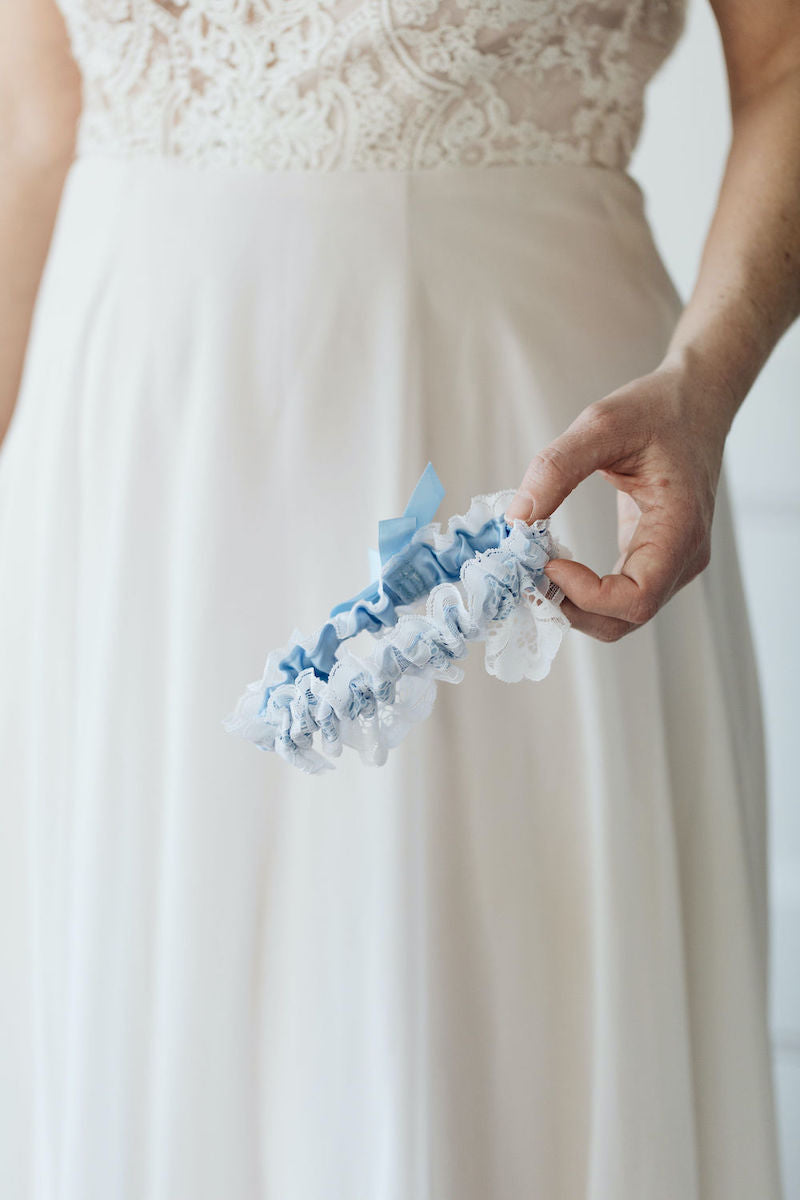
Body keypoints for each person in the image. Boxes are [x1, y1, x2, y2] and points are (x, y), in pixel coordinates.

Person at [0, 1, 795, 1196]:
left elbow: (788, 65)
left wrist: (703, 379)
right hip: (134, 464)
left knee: (499, 1029)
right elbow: (34, 121)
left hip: (527, 437)